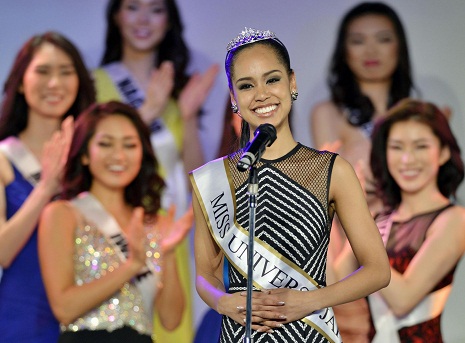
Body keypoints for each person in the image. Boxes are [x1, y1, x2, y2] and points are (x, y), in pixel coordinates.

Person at [190, 27, 390, 343]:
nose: (261, 94)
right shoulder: (212, 179)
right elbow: (206, 274)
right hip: (241, 334)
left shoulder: (330, 170)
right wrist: (222, 301)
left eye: (272, 79)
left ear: (292, 82)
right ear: (233, 97)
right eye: (246, 85)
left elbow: (378, 270)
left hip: (311, 331)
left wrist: (311, 300)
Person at [93, 1, 219, 340]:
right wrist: (146, 112)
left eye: (156, 9)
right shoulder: (95, 84)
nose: (143, 19)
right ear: (116, 16)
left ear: (169, 21)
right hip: (110, 229)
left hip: (166, 231)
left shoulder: (178, 92)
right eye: (132, 7)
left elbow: (196, 174)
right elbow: (91, 158)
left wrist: (188, 116)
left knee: (170, 328)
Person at [38, 101, 194, 342]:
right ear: (85, 155)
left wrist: (169, 253)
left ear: (142, 154)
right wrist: (131, 266)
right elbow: (64, 309)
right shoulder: (63, 214)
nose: (119, 155)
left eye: (130, 145)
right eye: (105, 144)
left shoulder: (157, 223)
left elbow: (171, 321)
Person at [334, 99, 465, 342]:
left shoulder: (454, 219)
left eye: (420, 146)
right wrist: (348, 205)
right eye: (396, 147)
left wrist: (366, 235)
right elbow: (340, 277)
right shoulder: (380, 218)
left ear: (444, 152)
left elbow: (403, 299)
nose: (407, 160)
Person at [0, 31, 96, 342]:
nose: (55, 83)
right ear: (20, 80)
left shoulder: (93, 158)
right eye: (43, 71)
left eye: (66, 72)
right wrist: (46, 187)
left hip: (91, 320)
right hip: (23, 322)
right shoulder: (3, 157)